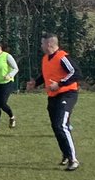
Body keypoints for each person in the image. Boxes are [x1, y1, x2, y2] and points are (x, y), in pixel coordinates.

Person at [26, 34, 80, 171]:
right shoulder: (45, 59)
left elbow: (76, 73)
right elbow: (46, 75)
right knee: (56, 126)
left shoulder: (62, 57)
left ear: (49, 44)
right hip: (53, 96)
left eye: (42, 44)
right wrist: (35, 83)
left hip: (67, 94)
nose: (41, 46)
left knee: (61, 125)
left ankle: (73, 160)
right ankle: (66, 154)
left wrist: (60, 84)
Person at [0, 40, 19, 129]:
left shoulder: (7, 56)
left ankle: (12, 116)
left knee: (2, 103)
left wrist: (9, 75)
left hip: (6, 83)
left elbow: (16, 68)